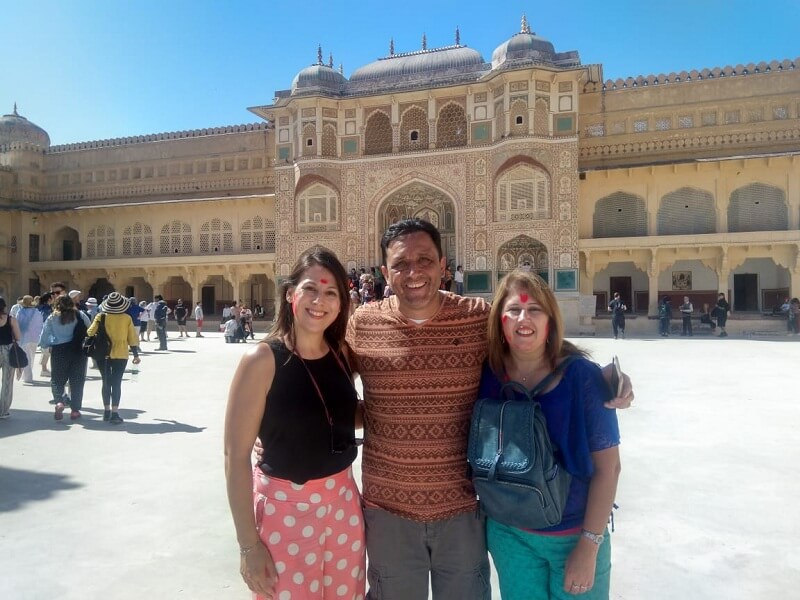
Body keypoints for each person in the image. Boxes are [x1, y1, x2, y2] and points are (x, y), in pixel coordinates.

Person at [345, 218, 633, 600]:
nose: (413, 272)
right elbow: (326, 381)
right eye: (400, 264)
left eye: (425, 260)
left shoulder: (477, 317)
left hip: (463, 510)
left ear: (443, 264)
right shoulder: (363, 323)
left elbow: (528, 336)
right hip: (389, 510)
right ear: (384, 271)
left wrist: (606, 379)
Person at [224, 246, 365, 599]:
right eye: (310, 289)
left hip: (343, 502)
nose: (320, 300)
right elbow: (234, 456)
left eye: (331, 292)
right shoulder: (262, 360)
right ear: (290, 294)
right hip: (285, 508)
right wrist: (248, 546)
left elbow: (340, 415)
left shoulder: (342, 354)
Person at [479, 270, 621, 599]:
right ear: (499, 319)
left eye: (534, 310)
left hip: (573, 534)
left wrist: (589, 545)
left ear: (551, 320)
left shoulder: (582, 378)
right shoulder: (488, 374)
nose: (523, 318)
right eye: (513, 309)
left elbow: (609, 468)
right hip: (510, 535)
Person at [87, 292, 141, 424]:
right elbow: (132, 338)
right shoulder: (127, 318)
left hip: (103, 354)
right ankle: (115, 412)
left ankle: (106, 411)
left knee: (105, 382)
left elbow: (90, 332)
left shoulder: (101, 316)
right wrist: (135, 354)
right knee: (116, 383)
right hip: (121, 353)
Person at [38, 295, 91, 420]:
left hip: (59, 351)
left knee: (57, 380)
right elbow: (90, 329)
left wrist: (45, 346)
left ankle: (59, 402)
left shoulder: (52, 317)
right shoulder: (80, 315)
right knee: (77, 381)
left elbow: (44, 335)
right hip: (78, 351)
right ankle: (75, 410)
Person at [0, 297, 23, 419]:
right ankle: (3, 411)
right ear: (4, 306)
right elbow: (18, 336)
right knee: (7, 382)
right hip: (8, 350)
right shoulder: (10, 319)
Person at [15, 295, 44, 383]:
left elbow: (17, 323)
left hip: (24, 336)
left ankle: (28, 377)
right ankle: (27, 375)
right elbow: (40, 324)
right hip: (35, 337)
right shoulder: (37, 312)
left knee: (26, 356)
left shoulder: (20, 312)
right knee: (32, 356)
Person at [37, 292, 55, 377]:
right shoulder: (47, 309)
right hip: (47, 331)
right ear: (49, 299)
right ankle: (44, 369)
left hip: (40, 330)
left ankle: (44, 368)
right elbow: (46, 320)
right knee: (46, 351)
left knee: (45, 351)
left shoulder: (40, 307)